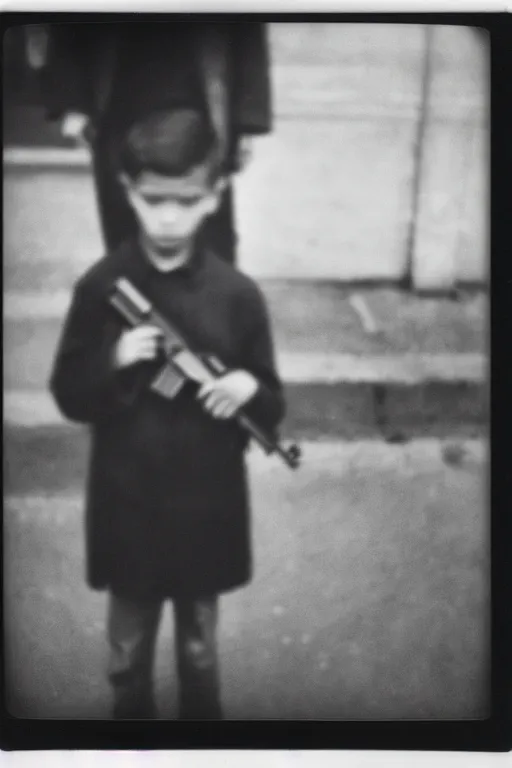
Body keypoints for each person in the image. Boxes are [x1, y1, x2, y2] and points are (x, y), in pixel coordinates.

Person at [49, 107, 285, 720]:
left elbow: (272, 398)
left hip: (205, 501)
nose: (170, 217)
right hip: (130, 502)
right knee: (127, 654)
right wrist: (116, 359)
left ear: (215, 198)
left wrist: (244, 387)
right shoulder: (101, 289)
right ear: (127, 193)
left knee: (200, 652)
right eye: (154, 200)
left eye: (187, 200)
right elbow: (68, 391)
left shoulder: (238, 296)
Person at [41, 21, 272, 263]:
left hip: (202, 78)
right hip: (119, 76)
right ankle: (131, 294)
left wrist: (248, 117)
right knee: (126, 215)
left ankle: (212, 297)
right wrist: (72, 98)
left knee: (205, 221)